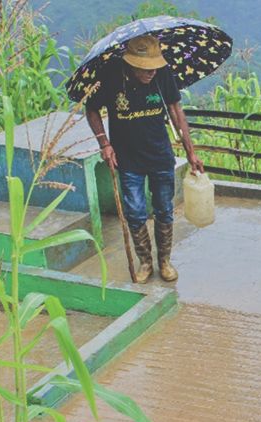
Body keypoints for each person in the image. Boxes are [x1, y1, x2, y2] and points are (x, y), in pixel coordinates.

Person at [85, 34, 204, 283]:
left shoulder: (162, 73)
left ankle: (164, 261)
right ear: (130, 63)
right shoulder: (111, 75)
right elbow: (91, 108)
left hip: (160, 155)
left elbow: (176, 111)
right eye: (145, 68)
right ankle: (146, 262)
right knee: (136, 212)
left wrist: (191, 151)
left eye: (154, 67)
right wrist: (104, 144)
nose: (151, 73)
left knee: (164, 209)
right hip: (127, 159)